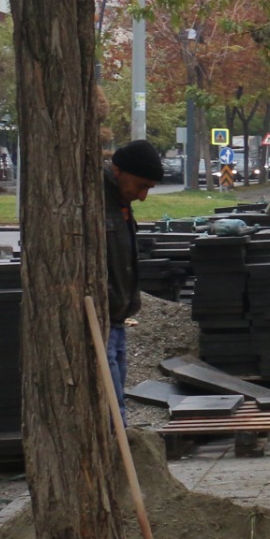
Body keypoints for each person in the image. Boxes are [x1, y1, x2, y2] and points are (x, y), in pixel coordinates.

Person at [103, 140, 164, 417]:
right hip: (101, 319)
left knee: (119, 402)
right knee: (114, 407)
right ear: (118, 171)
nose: (142, 196)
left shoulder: (121, 204)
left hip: (117, 318)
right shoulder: (98, 200)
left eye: (148, 189)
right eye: (141, 186)